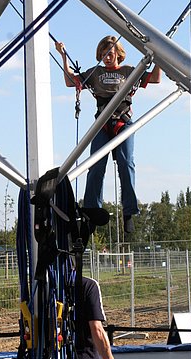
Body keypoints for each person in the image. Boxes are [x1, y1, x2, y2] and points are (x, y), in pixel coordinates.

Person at [55, 36, 161, 234]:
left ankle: (129, 211)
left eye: (110, 54)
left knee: (126, 164)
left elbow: (154, 78)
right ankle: (92, 211)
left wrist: (159, 60)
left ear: (117, 54)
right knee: (95, 167)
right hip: (102, 124)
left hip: (123, 123)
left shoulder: (129, 71)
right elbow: (71, 82)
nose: (107, 58)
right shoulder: (96, 73)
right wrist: (63, 56)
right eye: (103, 54)